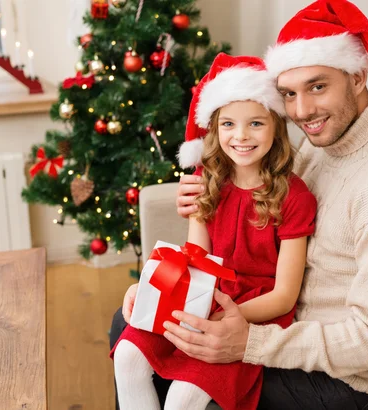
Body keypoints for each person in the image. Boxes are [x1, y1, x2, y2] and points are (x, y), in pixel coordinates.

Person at [112, 1, 368, 408]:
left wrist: (246, 342)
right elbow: (251, 197)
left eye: (317, 86)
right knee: (130, 327)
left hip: (337, 377)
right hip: (272, 323)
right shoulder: (326, 140)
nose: (301, 111)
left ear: (358, 77)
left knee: (187, 381)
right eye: (289, 94)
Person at [111, 53, 317, 410]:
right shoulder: (207, 184)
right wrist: (150, 288)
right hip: (202, 296)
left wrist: (223, 318)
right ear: (214, 128)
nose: (241, 136)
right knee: (128, 355)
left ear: (276, 127)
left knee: (184, 396)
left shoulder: (295, 197)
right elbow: (195, 259)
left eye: (256, 123)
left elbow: (284, 296)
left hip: (253, 312)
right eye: (228, 125)